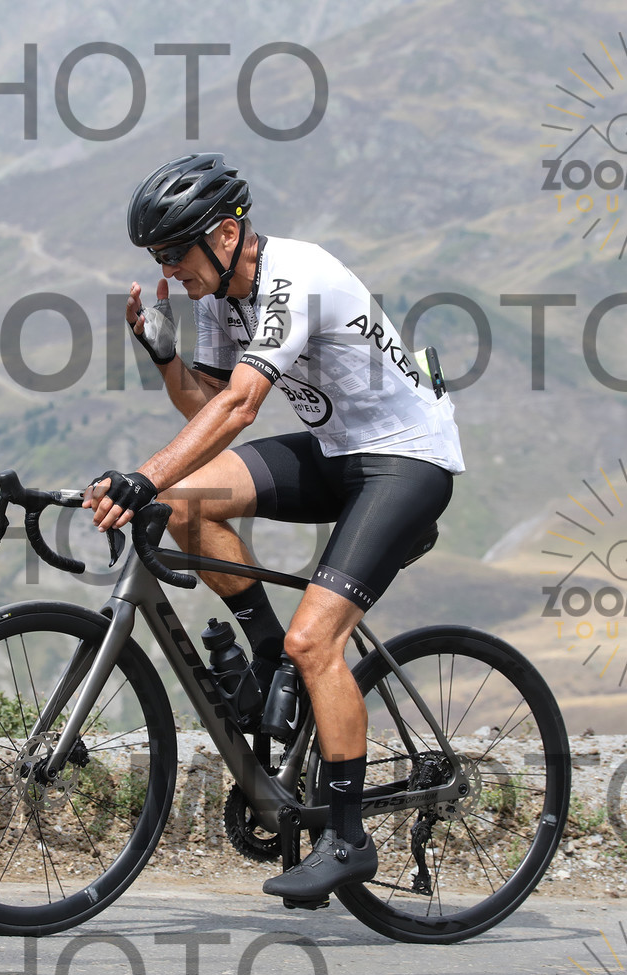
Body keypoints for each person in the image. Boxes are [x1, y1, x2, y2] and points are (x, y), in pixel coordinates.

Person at [84, 153, 464, 902]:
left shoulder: (297, 276)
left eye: (176, 253)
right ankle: (267, 658)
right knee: (184, 503)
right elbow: (207, 406)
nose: (169, 272)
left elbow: (241, 408)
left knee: (315, 640)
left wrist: (140, 476)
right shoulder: (222, 297)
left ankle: (348, 838)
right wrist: (164, 355)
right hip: (337, 452)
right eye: (158, 259)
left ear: (226, 235)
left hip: (406, 461)